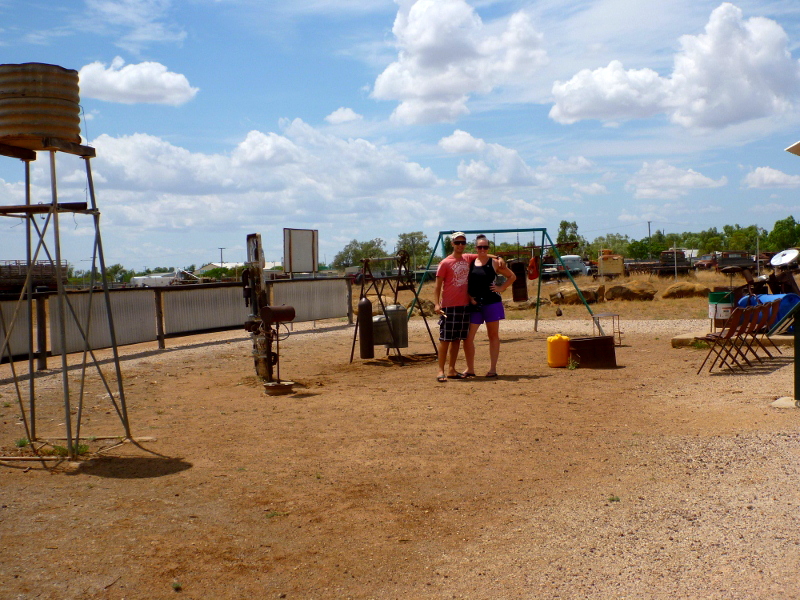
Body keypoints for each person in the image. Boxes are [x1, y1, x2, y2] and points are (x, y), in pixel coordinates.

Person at [462, 234, 516, 378]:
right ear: (476, 248)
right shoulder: (471, 262)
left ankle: (492, 368)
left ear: (488, 248)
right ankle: (470, 368)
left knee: (493, 335)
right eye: (480, 247)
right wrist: (469, 296)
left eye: (485, 247)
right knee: (468, 337)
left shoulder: (494, 263)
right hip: (474, 304)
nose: (482, 249)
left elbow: (512, 276)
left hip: (492, 302)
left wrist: (501, 287)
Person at [433, 232, 474, 382]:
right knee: (445, 339)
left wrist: (498, 258)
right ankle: (440, 370)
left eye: (463, 243)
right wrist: (437, 303)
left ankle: (452, 369)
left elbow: (483, 255)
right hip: (449, 306)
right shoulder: (445, 263)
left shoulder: (468, 258)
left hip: (464, 305)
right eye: (457, 243)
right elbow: (437, 286)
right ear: (452, 244)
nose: (460, 245)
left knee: (457, 339)